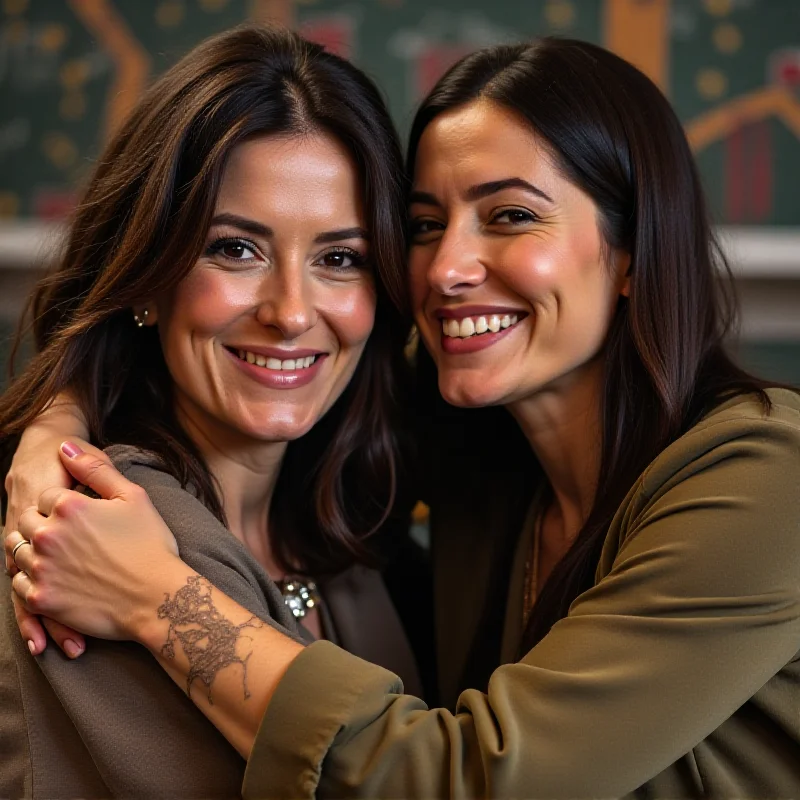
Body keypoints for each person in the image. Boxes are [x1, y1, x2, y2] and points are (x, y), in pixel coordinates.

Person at [7, 37, 800, 799]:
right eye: (424, 226)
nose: (448, 269)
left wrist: (156, 598)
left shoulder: (768, 480)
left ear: (632, 250)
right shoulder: (476, 431)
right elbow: (185, 342)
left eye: (512, 216)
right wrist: (53, 432)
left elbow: (467, 779)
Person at [0, 24, 435, 799]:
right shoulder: (96, 531)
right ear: (144, 274)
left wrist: (56, 411)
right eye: (237, 249)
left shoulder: (347, 533)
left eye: (340, 258)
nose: (292, 312)